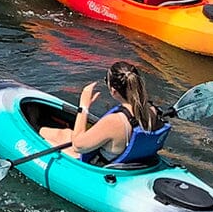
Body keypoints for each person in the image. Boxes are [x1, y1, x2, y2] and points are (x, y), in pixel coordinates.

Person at [36, 62, 172, 166]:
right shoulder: (152, 110)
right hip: (132, 159)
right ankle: (40, 127)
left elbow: (78, 146)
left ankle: (35, 127)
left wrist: (83, 106)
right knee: (63, 133)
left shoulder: (115, 121)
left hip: (100, 164)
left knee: (44, 140)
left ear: (113, 91)